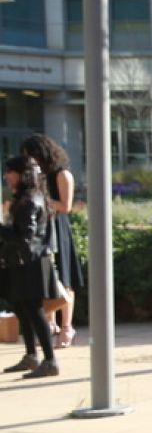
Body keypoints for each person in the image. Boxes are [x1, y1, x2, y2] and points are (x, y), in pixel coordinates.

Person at [20, 135, 82, 348]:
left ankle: (66, 326)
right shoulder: (36, 176)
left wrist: (40, 200)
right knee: (45, 277)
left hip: (57, 226)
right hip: (41, 226)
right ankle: (50, 324)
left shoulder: (62, 174)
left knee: (64, 276)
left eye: (32, 155)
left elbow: (66, 206)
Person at [2, 157, 61, 378]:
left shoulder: (29, 201)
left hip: (31, 262)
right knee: (24, 309)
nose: (7, 176)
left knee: (33, 311)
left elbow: (24, 237)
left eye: (10, 172)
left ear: (22, 174)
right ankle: (32, 356)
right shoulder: (29, 198)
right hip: (27, 261)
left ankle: (49, 360)